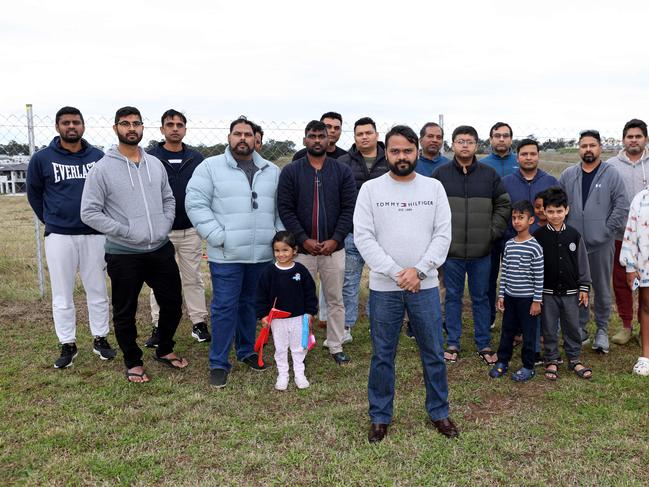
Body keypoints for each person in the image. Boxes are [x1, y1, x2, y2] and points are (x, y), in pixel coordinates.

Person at [354, 124, 457, 442]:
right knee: (383, 354)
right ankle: (380, 416)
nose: (402, 156)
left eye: (408, 151)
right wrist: (398, 272)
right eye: (396, 151)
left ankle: (439, 412)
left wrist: (420, 271)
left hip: (424, 287)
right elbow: (364, 237)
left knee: (433, 352)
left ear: (417, 152)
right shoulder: (371, 190)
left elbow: (443, 235)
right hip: (385, 289)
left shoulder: (433, 188)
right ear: (387, 152)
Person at [81, 106, 188, 383]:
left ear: (143, 128)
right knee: (125, 311)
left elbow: (168, 198)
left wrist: (164, 225)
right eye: (125, 123)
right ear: (116, 128)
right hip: (124, 253)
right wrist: (124, 231)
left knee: (173, 304)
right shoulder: (102, 169)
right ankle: (133, 360)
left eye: (136, 123)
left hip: (159, 249)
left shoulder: (155, 164)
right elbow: (89, 212)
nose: (131, 128)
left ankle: (164, 348)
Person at [186, 117, 283, 388]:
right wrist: (218, 236)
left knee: (250, 305)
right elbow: (195, 203)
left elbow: (279, 208)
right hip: (226, 253)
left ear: (256, 139)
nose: (243, 138)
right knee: (224, 307)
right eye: (237, 134)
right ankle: (218, 362)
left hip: (261, 254)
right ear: (229, 137)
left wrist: (276, 238)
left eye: (248, 134)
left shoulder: (271, 170)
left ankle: (246, 351)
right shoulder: (210, 167)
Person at [26, 106, 115, 368]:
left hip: (94, 234)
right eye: (66, 123)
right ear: (57, 127)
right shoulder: (42, 158)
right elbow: (34, 193)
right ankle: (68, 343)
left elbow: (108, 193)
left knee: (97, 289)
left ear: (83, 126)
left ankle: (101, 338)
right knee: (62, 293)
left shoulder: (98, 156)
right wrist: (52, 218)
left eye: (76, 122)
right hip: (60, 236)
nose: (71, 127)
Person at [277, 120, 357, 365]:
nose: (317, 140)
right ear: (305, 140)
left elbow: (349, 208)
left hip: (334, 249)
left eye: (321, 136)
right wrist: (303, 239)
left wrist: (336, 239)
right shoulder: (291, 171)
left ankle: (335, 344)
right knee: (301, 299)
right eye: (312, 136)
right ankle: (301, 343)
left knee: (335, 298)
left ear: (328, 139)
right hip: (303, 251)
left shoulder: (342, 171)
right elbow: (285, 209)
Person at [432, 125, 511, 365]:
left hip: (482, 252)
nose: (464, 145)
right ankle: (453, 341)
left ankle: (484, 342)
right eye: (460, 141)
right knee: (453, 296)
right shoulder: (440, 175)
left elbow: (503, 204)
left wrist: (491, 232)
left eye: (469, 141)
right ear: (452, 145)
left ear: (477, 145)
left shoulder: (489, 175)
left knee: (481, 296)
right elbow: (430, 208)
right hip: (452, 251)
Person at [559, 130, 629, 353]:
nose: (588, 149)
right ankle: (580, 328)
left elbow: (621, 205)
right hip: (574, 245)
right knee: (576, 287)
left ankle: (601, 330)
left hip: (601, 243)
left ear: (599, 148)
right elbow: (558, 203)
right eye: (583, 145)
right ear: (579, 148)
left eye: (592, 145)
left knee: (601, 288)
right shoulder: (569, 174)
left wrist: (607, 230)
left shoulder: (612, 174)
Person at [145, 109, 209, 348]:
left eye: (179, 124)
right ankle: (158, 324)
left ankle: (198, 322)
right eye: (169, 124)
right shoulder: (150, 157)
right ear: (162, 129)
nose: (174, 128)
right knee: (159, 280)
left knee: (193, 278)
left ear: (184, 129)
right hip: (162, 231)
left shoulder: (196, 159)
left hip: (190, 229)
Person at [338, 117, 389, 340]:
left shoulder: (390, 159)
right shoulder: (343, 162)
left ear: (377, 135)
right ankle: (346, 325)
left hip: (384, 232)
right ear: (355, 137)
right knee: (349, 279)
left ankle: (376, 322)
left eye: (369, 132)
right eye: (360, 134)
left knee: (381, 277)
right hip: (353, 231)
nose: (364, 137)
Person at [533, 187, 593, 380]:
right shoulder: (538, 237)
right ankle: (552, 359)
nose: (555, 215)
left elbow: (583, 263)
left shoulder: (574, 235)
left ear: (566, 210)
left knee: (572, 326)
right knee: (549, 327)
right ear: (544, 212)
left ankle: (574, 358)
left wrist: (584, 286)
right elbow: (534, 267)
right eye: (550, 211)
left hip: (571, 292)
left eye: (559, 211)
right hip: (547, 293)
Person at [256, 231, 318, 390]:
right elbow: (260, 295)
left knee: (298, 347)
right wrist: (263, 315)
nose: (281, 254)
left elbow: (310, 293)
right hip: (277, 320)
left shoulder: (301, 270)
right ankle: (282, 374)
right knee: (281, 348)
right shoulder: (269, 272)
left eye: (285, 250)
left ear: (294, 250)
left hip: (298, 318)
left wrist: (310, 312)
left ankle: (299, 374)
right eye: (277, 250)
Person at [490, 200, 543, 382]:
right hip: (511, 298)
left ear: (531, 220)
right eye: (514, 218)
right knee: (507, 331)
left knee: (528, 334)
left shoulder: (535, 247)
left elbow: (539, 276)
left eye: (521, 217)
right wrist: (502, 295)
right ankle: (502, 361)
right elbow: (504, 272)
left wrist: (537, 301)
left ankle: (528, 366)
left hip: (527, 300)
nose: (516, 221)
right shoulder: (510, 245)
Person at [607, 119, 649, 345]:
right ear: (623, 139)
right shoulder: (611, 165)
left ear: (646, 139)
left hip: (647, 238)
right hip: (618, 235)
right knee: (621, 281)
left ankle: (646, 328)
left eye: (638, 136)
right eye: (630, 136)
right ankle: (626, 325)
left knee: (647, 283)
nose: (634, 140)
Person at [481, 122, 518, 331]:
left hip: (516, 231)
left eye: (505, 135)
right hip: (491, 230)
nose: (501, 139)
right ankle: (489, 316)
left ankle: (515, 318)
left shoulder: (519, 161)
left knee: (516, 278)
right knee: (488, 276)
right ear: (491, 139)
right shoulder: (484, 164)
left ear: (511, 139)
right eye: (497, 135)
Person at [619, 188, 649, 376]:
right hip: (645, 263)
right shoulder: (641, 198)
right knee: (646, 306)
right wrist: (630, 266)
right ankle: (646, 357)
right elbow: (630, 234)